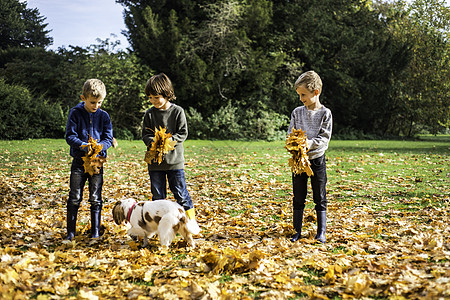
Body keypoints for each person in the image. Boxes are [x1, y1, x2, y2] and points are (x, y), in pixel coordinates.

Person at [142, 73, 199, 227]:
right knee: (158, 197)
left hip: (174, 162)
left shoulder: (177, 111)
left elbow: (183, 133)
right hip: (155, 163)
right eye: (150, 98)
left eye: (156, 97)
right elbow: (145, 134)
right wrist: (153, 142)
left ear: (166, 94)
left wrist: (168, 141)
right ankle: (161, 225)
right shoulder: (149, 114)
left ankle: (190, 224)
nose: (153, 101)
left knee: (181, 194)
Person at [65, 79, 113, 240]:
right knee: (75, 197)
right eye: (93, 102)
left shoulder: (104, 116)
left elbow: (108, 137)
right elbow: (70, 136)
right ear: (83, 97)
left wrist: (100, 147)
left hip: (97, 163)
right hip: (79, 161)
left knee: (95, 198)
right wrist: (83, 145)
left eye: (99, 102)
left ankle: (95, 232)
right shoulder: (75, 113)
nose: (96, 106)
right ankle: (70, 233)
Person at [288, 70, 332, 243]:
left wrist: (309, 143)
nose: (301, 99)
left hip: (317, 160)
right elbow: (291, 133)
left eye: (303, 94)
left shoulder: (325, 114)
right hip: (299, 161)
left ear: (316, 92)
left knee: (319, 196)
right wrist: (294, 145)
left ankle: (321, 232)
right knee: (298, 196)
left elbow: (324, 139)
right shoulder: (297, 112)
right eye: (299, 95)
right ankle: (296, 231)